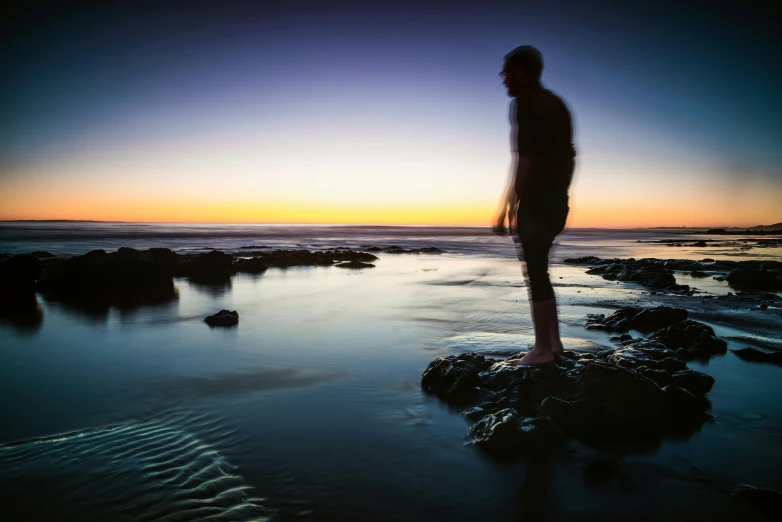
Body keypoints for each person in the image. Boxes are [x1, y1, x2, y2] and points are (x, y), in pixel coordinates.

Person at [493, 45, 576, 365]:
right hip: (557, 200)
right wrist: (561, 194)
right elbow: (570, 155)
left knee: (536, 271)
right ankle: (553, 344)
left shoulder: (524, 104)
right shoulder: (556, 103)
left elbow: (523, 159)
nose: (504, 80)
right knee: (541, 267)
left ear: (525, 73)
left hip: (537, 200)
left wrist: (508, 205)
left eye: (508, 72)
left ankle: (542, 350)